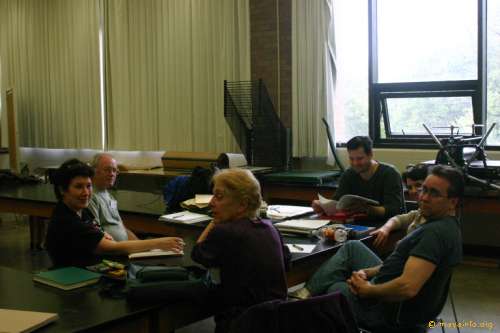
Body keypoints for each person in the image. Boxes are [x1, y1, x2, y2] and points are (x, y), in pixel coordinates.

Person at [293, 165, 463, 331]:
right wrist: (368, 273)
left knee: (334, 289)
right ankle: (302, 296)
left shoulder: (433, 234)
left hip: (388, 313)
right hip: (398, 297)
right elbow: (404, 266)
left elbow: (407, 287)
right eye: (424, 190)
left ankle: (298, 304)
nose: (424, 197)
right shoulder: (446, 224)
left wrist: (369, 290)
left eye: (434, 193)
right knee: (353, 247)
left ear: (452, 202)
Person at [191, 168, 288, 333]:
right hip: (276, 320)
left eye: (219, 197)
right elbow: (287, 260)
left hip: (241, 323)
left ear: (242, 204)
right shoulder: (270, 227)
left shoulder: (225, 232)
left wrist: (214, 221)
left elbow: (198, 253)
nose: (211, 203)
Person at [45, 159, 184, 268]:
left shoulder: (81, 211)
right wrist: (159, 243)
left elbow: (99, 234)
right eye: (78, 187)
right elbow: (112, 248)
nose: (86, 193)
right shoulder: (66, 220)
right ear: (63, 190)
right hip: (74, 278)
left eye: (88, 186)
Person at [312, 136, 404, 220]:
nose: (355, 163)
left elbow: (394, 210)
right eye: (351, 159)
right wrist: (323, 206)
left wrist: (367, 209)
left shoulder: (390, 174)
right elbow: (337, 202)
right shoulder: (349, 174)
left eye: (360, 159)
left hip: (387, 226)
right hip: (357, 224)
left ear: (371, 155)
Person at [371, 164, 429, 249]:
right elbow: (399, 219)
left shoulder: (434, 217)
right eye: (409, 187)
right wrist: (385, 228)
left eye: (418, 185)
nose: (413, 191)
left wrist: (402, 244)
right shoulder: (420, 212)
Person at [88, 153, 138, 241]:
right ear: (94, 171)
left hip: (125, 247)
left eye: (114, 170)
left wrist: (141, 244)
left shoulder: (110, 197)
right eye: (107, 170)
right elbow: (97, 233)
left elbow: (121, 227)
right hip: (113, 251)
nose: (112, 174)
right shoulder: (90, 197)